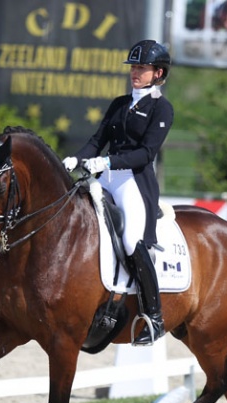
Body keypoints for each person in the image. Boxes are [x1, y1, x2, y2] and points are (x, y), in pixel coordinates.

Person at [62, 40, 174, 345]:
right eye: (133, 67)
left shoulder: (161, 108)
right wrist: (76, 158)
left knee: (131, 240)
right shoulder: (119, 103)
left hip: (133, 182)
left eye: (142, 68)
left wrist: (109, 160)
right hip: (105, 176)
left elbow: (146, 153)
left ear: (158, 73)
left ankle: (154, 317)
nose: (135, 72)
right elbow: (97, 140)